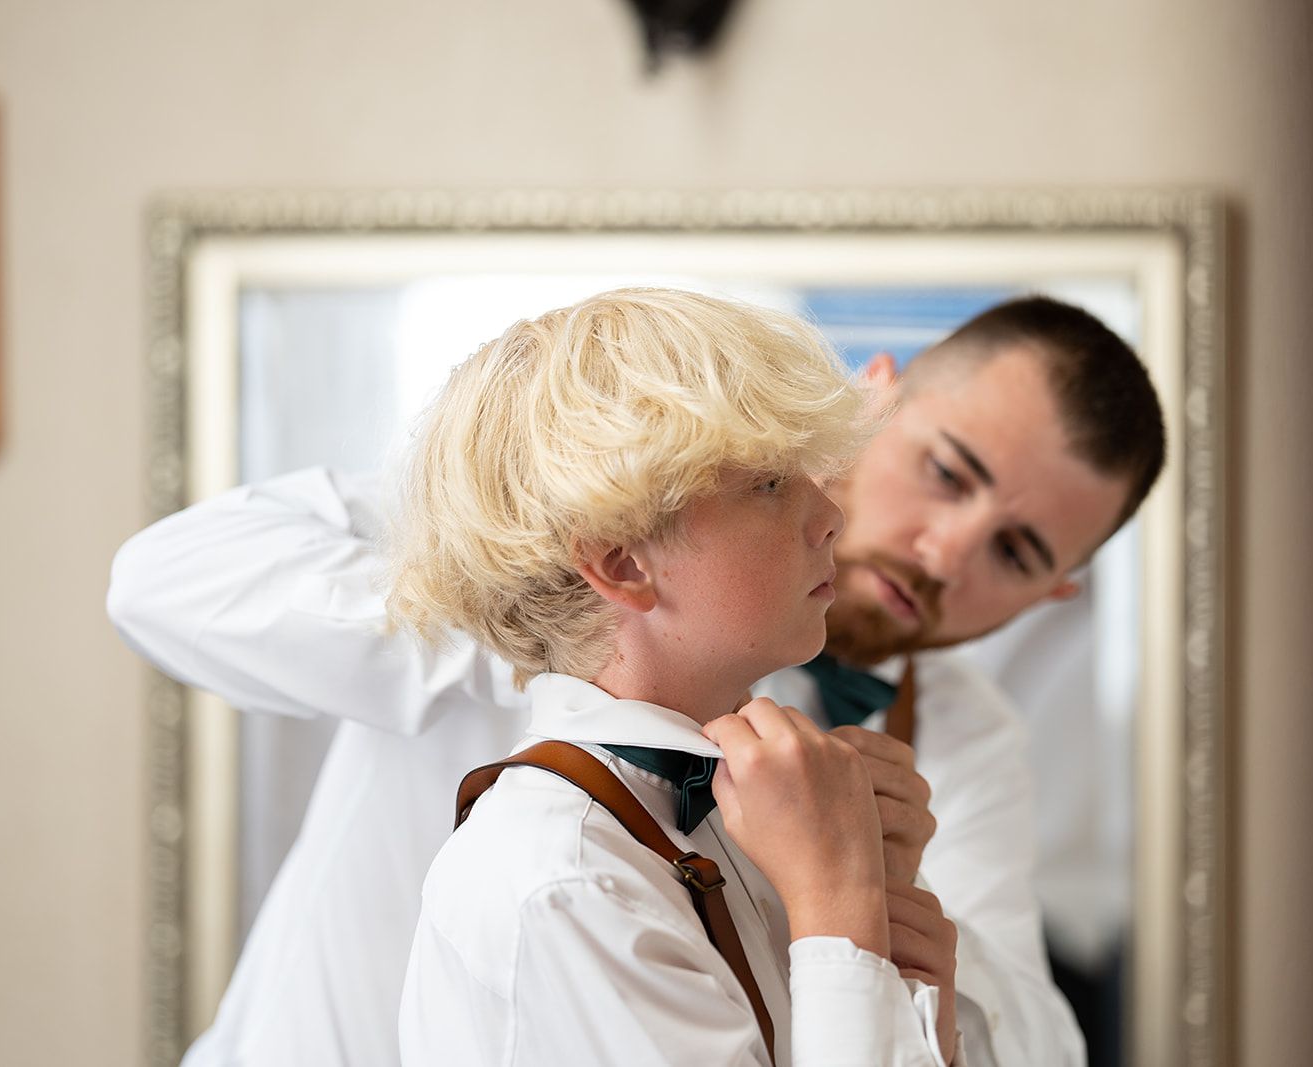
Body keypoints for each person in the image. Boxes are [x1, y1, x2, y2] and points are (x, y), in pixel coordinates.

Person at [109, 293, 1164, 1065]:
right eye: (946, 470)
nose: (943, 553)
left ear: (1053, 596)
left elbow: (1035, 1043)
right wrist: (564, 630)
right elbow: (160, 580)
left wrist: (873, 897)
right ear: (872, 395)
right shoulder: (603, 486)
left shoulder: (960, 737)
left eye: (1017, 551)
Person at [383, 288, 957, 1062]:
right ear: (622, 561)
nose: (831, 517)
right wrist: (840, 906)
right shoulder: (564, 880)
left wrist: (897, 961)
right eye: (769, 484)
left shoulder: (756, 814)